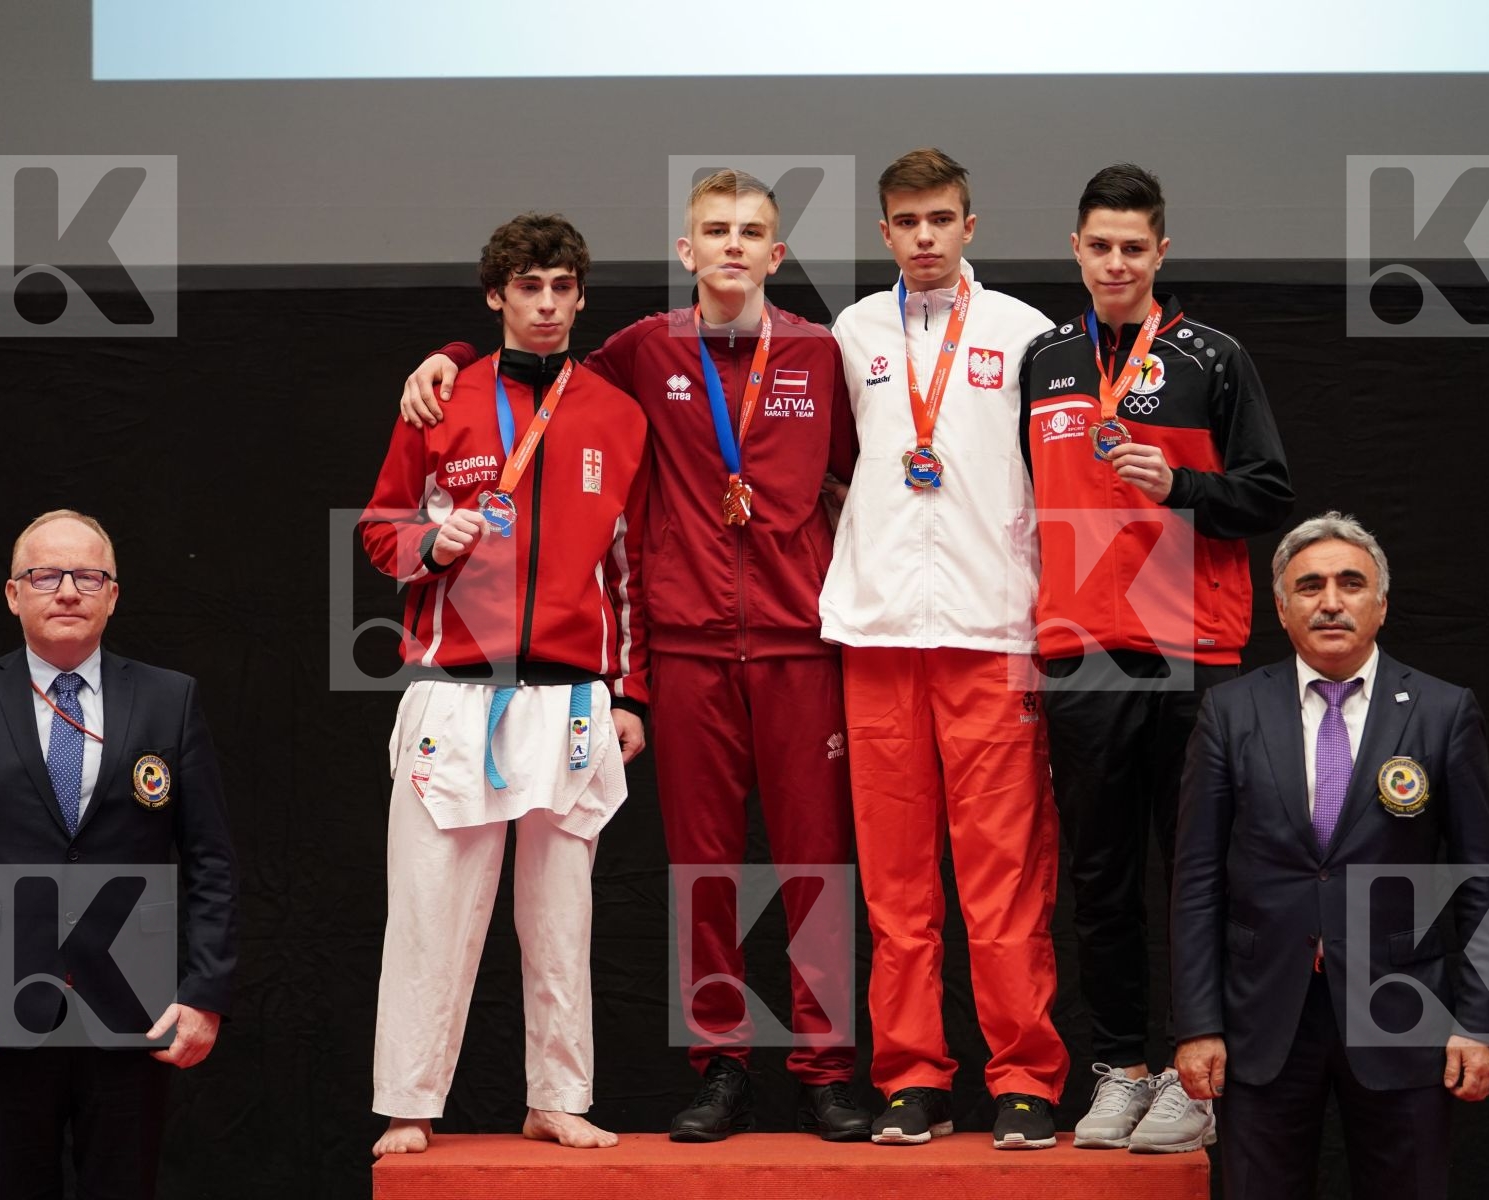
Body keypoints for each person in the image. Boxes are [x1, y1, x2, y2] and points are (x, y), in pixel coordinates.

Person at [396, 170, 867, 1142]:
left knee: (815, 863)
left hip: (800, 645)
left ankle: (824, 1071)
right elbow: (537, 365)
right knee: (704, 869)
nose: (732, 245)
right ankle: (723, 1067)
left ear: (777, 254)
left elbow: (870, 480)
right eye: (714, 230)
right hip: (689, 647)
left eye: (751, 232)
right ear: (685, 251)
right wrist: (448, 355)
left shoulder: (821, 354)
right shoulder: (645, 350)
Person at [363, 212, 651, 1155]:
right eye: (529, 287)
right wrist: (429, 543)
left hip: (572, 699)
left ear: (581, 295)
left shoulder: (617, 413)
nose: (547, 306)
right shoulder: (441, 399)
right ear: (496, 296)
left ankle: (557, 1097)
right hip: (455, 689)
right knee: (430, 910)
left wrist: (632, 695)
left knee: (562, 917)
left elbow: (631, 569)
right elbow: (379, 528)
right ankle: (410, 1104)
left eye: (563, 288)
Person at [1019, 163, 1293, 1149]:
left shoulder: (1213, 358)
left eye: (1134, 247)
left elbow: (1270, 494)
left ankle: (1196, 1075)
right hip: (1082, 653)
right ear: (1076, 248)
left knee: (1198, 872)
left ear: (1161, 252)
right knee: (1100, 879)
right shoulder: (1046, 360)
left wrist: (1182, 485)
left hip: (1190, 648)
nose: (1116, 263)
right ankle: (1121, 1070)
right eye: (1100, 246)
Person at [822, 148, 1065, 1150]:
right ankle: (912, 1076)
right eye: (907, 221)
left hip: (992, 627)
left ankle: (1026, 1079)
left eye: (941, 219)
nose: (924, 237)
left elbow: (1057, 473)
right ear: (883, 232)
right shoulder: (852, 332)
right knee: (896, 884)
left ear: (971, 225)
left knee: (1004, 876)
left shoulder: (1024, 331)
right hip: (878, 627)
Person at [0, 509, 238, 1200]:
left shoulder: (169, 699)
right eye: (46, 575)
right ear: (13, 594)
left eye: (88, 576)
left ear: (113, 595)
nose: (69, 591)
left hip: (133, 1000)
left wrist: (205, 994)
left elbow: (212, 863)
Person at [1170, 512, 1489, 1193]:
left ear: (1380, 604)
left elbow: (1485, 878)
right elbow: (1197, 879)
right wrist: (1197, 1024)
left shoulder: (1442, 711)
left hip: (1403, 1013)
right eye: (1310, 586)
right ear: (1281, 608)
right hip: (1260, 1017)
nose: (1330, 601)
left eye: (1351, 584)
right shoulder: (1230, 713)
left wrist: (1483, 1021)